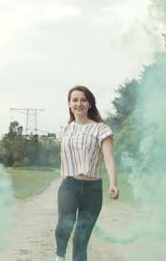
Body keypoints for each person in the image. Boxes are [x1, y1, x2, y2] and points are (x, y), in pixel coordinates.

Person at [54, 85, 119, 261]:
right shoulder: (64, 131)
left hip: (93, 190)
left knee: (81, 237)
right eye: (75, 100)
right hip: (70, 186)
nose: (79, 103)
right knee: (64, 225)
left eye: (83, 100)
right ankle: (60, 256)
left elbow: (109, 158)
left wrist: (113, 183)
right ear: (69, 104)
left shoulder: (101, 129)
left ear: (90, 104)